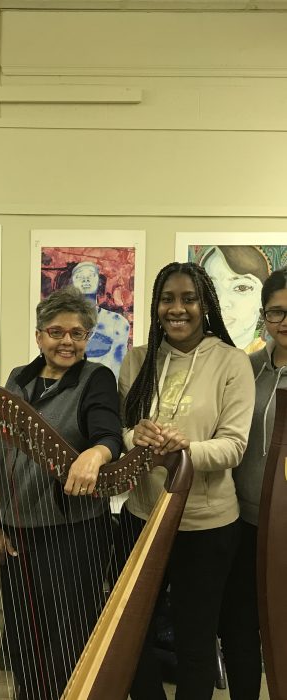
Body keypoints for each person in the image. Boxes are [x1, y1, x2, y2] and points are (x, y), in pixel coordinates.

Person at [0, 286, 122, 700]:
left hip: (73, 532)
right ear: (39, 336)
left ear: (87, 338)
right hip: (16, 530)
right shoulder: (18, 379)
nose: (67, 342)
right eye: (56, 332)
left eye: (77, 333)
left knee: (67, 639)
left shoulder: (96, 379)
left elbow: (108, 434)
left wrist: (95, 454)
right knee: (23, 638)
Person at [117, 261, 255, 700]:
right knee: (132, 635)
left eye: (189, 299)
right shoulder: (137, 359)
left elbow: (233, 447)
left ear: (205, 304)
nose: (177, 309)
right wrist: (135, 437)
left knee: (195, 641)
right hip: (142, 519)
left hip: (207, 526)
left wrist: (184, 451)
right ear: (155, 306)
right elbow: (122, 430)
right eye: (167, 299)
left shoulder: (232, 361)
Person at [219, 266, 287, 700]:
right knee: (239, 625)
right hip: (244, 521)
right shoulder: (247, 367)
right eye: (277, 312)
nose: (285, 321)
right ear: (264, 316)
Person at [199, 245, 270, 352]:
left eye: (241, 288)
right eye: (211, 287)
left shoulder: (273, 356)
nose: (221, 303)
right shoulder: (192, 356)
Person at [71, 261, 130, 377]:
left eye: (91, 275)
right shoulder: (60, 322)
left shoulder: (117, 322)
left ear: (99, 281)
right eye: (80, 276)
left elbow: (118, 366)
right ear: (72, 283)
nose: (86, 280)